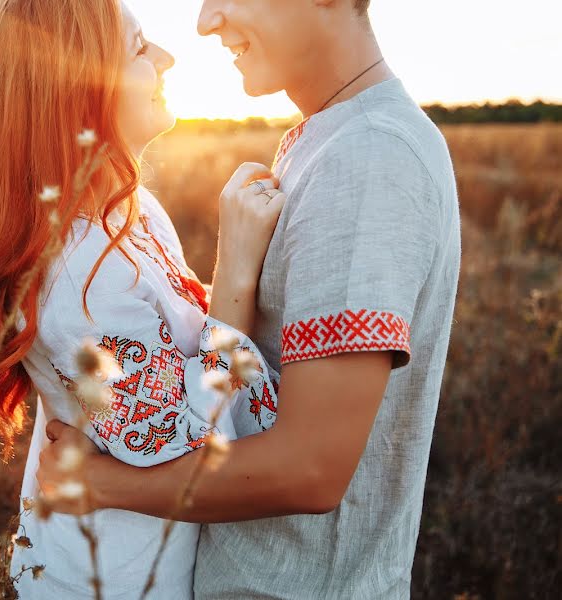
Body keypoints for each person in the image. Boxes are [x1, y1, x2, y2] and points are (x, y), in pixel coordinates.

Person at [37, 0, 462, 598]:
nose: (206, 21)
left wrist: (105, 485)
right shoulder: (331, 141)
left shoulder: (367, 157)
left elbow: (310, 471)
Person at [0, 0, 287, 597]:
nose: (168, 58)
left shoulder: (130, 210)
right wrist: (238, 268)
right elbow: (184, 436)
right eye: (142, 49)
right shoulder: (76, 274)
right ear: (76, 88)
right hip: (111, 580)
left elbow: (179, 341)